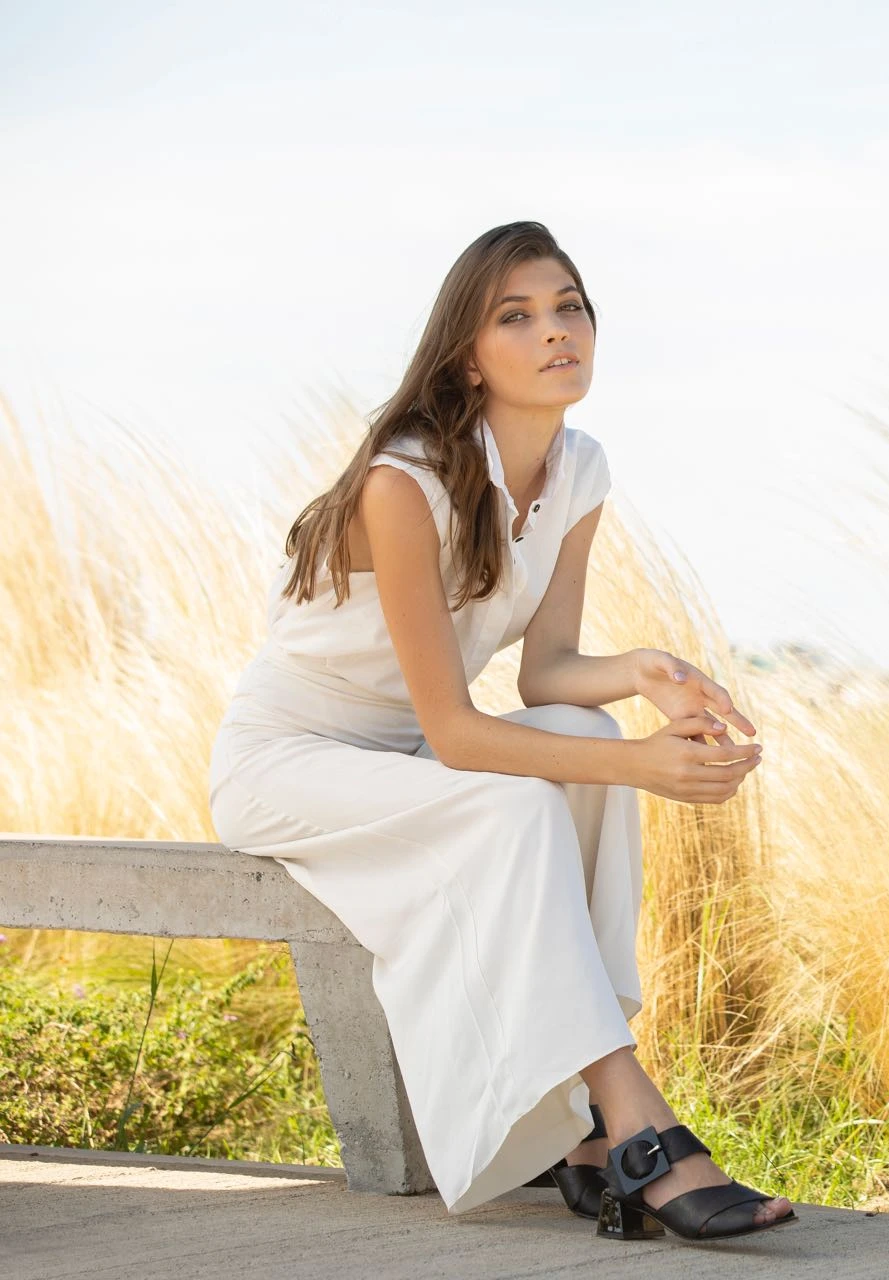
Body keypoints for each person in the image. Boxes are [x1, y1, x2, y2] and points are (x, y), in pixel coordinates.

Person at [205, 220, 795, 1242]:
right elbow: (458, 731)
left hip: (410, 755)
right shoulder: (404, 482)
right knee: (525, 803)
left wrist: (644, 672)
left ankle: (586, 1134)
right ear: (468, 357)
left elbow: (545, 670)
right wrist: (642, 766)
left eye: (569, 306)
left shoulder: (579, 469)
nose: (555, 330)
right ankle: (628, 1116)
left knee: (579, 722)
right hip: (294, 760)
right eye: (515, 316)